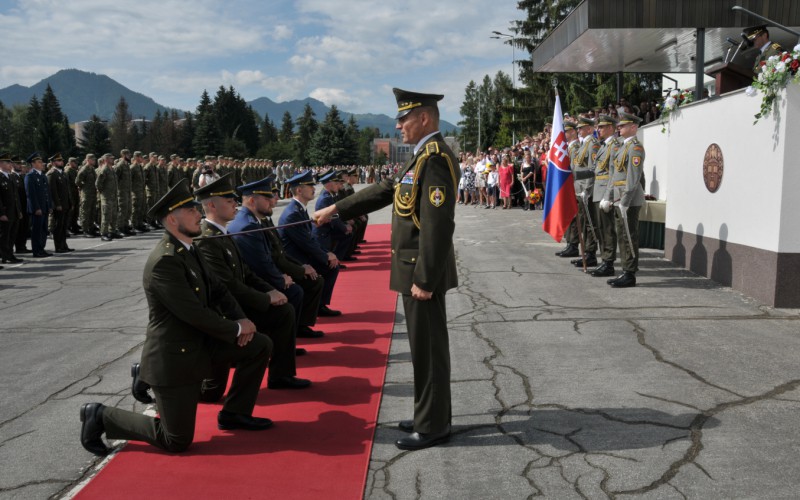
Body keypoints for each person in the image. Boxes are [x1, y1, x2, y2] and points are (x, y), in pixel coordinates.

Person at [79, 179, 274, 457]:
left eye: (196, 208)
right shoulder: (165, 261)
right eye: (191, 210)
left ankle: (235, 414)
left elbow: (219, 290)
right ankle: (100, 415)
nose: (198, 214)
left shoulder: (189, 248)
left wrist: (243, 321)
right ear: (172, 219)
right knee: (176, 440)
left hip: (199, 345)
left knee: (259, 344)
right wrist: (235, 327)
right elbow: (193, 314)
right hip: (175, 358)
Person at [315, 88, 460, 451]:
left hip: (420, 274)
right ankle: (429, 413)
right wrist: (335, 210)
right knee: (422, 347)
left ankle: (433, 425)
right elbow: (385, 190)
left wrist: (425, 279)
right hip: (413, 270)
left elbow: (437, 225)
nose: (398, 126)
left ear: (424, 118)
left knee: (428, 348)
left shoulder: (435, 158)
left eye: (404, 118)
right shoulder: (419, 158)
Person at [193, 174, 310, 390]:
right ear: (211, 205)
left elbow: (246, 273)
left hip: (238, 302)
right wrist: (266, 298)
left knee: (284, 311)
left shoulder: (222, 233)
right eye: (229, 201)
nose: (235, 204)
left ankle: (281, 375)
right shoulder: (207, 239)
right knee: (210, 391)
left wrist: (271, 291)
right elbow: (228, 285)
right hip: (224, 312)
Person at [229, 176, 327, 339]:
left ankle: (292, 333)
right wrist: (280, 279)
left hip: (267, 273)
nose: (273, 200)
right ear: (253, 201)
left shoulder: (257, 220)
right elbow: (260, 264)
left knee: (306, 284)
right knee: (295, 292)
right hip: (255, 281)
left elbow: (276, 253)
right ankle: (284, 338)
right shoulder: (248, 225)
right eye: (267, 197)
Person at [279, 170, 341, 318]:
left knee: (330, 263)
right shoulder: (293, 213)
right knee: (329, 266)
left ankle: (319, 305)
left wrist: (326, 253)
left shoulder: (299, 209)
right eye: (310, 186)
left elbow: (310, 239)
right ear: (299, 190)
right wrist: (325, 256)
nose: (314, 189)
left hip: (302, 253)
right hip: (295, 258)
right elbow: (306, 243)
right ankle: (315, 309)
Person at [601, 111, 645, 288]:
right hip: (619, 198)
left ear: (633, 127)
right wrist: (608, 197)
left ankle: (630, 273)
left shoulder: (636, 148)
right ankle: (625, 270)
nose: (619, 128)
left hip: (629, 199)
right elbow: (614, 175)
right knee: (622, 235)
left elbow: (633, 178)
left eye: (623, 125)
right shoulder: (621, 147)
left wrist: (625, 201)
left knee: (629, 235)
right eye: (618, 126)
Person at [589, 114, 621, 277]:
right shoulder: (603, 146)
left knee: (607, 229)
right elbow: (596, 170)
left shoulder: (614, 146)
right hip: (598, 190)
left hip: (605, 192)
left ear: (610, 128)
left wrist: (608, 196)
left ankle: (608, 263)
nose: (598, 130)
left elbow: (613, 173)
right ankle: (604, 260)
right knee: (601, 228)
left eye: (601, 127)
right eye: (598, 127)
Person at [570, 116, 600, 268]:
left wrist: (587, 189)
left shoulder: (592, 145)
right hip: (579, 189)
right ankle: (586, 253)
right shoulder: (583, 145)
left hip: (586, 191)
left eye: (581, 128)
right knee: (583, 222)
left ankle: (591, 254)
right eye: (578, 128)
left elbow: (592, 170)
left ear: (589, 129)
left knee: (589, 223)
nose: (578, 130)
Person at [24, 152, 52, 258]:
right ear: (33, 164)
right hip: (37, 209)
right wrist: (36, 208)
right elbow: (30, 195)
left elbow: (47, 193)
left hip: (44, 208)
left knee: (44, 229)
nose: (42, 164)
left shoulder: (43, 176)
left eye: (41, 162)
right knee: (37, 230)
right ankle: (36, 251)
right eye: (39, 162)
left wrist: (49, 206)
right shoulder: (30, 176)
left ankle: (42, 248)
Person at [46, 153, 74, 253]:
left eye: (61, 160)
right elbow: (52, 191)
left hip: (65, 204)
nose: (61, 162)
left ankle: (64, 245)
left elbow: (67, 190)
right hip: (59, 206)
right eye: (58, 161)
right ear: (53, 163)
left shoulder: (63, 173)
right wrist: (57, 204)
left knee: (64, 226)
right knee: (58, 226)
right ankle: (58, 246)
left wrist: (70, 202)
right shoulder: (51, 174)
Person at [0, 152, 23, 265]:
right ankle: (4, 256)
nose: (10, 164)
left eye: (10, 162)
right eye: (7, 162)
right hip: (5, 212)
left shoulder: (11, 176)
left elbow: (16, 196)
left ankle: (10, 254)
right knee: (5, 235)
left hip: (14, 211)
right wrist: (1, 213)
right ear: (1, 164)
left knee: (12, 234)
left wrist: (19, 210)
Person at [95, 153, 121, 241]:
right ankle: (104, 233)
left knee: (113, 215)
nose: (112, 160)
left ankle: (112, 231)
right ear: (106, 160)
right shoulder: (104, 170)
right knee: (106, 216)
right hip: (106, 197)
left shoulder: (112, 169)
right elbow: (98, 184)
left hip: (113, 196)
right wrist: (103, 193)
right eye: (110, 159)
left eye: (113, 158)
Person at [76, 154, 99, 238]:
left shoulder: (92, 169)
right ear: (88, 160)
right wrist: (84, 187)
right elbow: (77, 181)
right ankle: (85, 230)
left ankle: (91, 229)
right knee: (85, 212)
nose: (94, 161)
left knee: (92, 212)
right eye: (93, 160)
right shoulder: (84, 169)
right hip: (86, 194)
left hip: (92, 194)